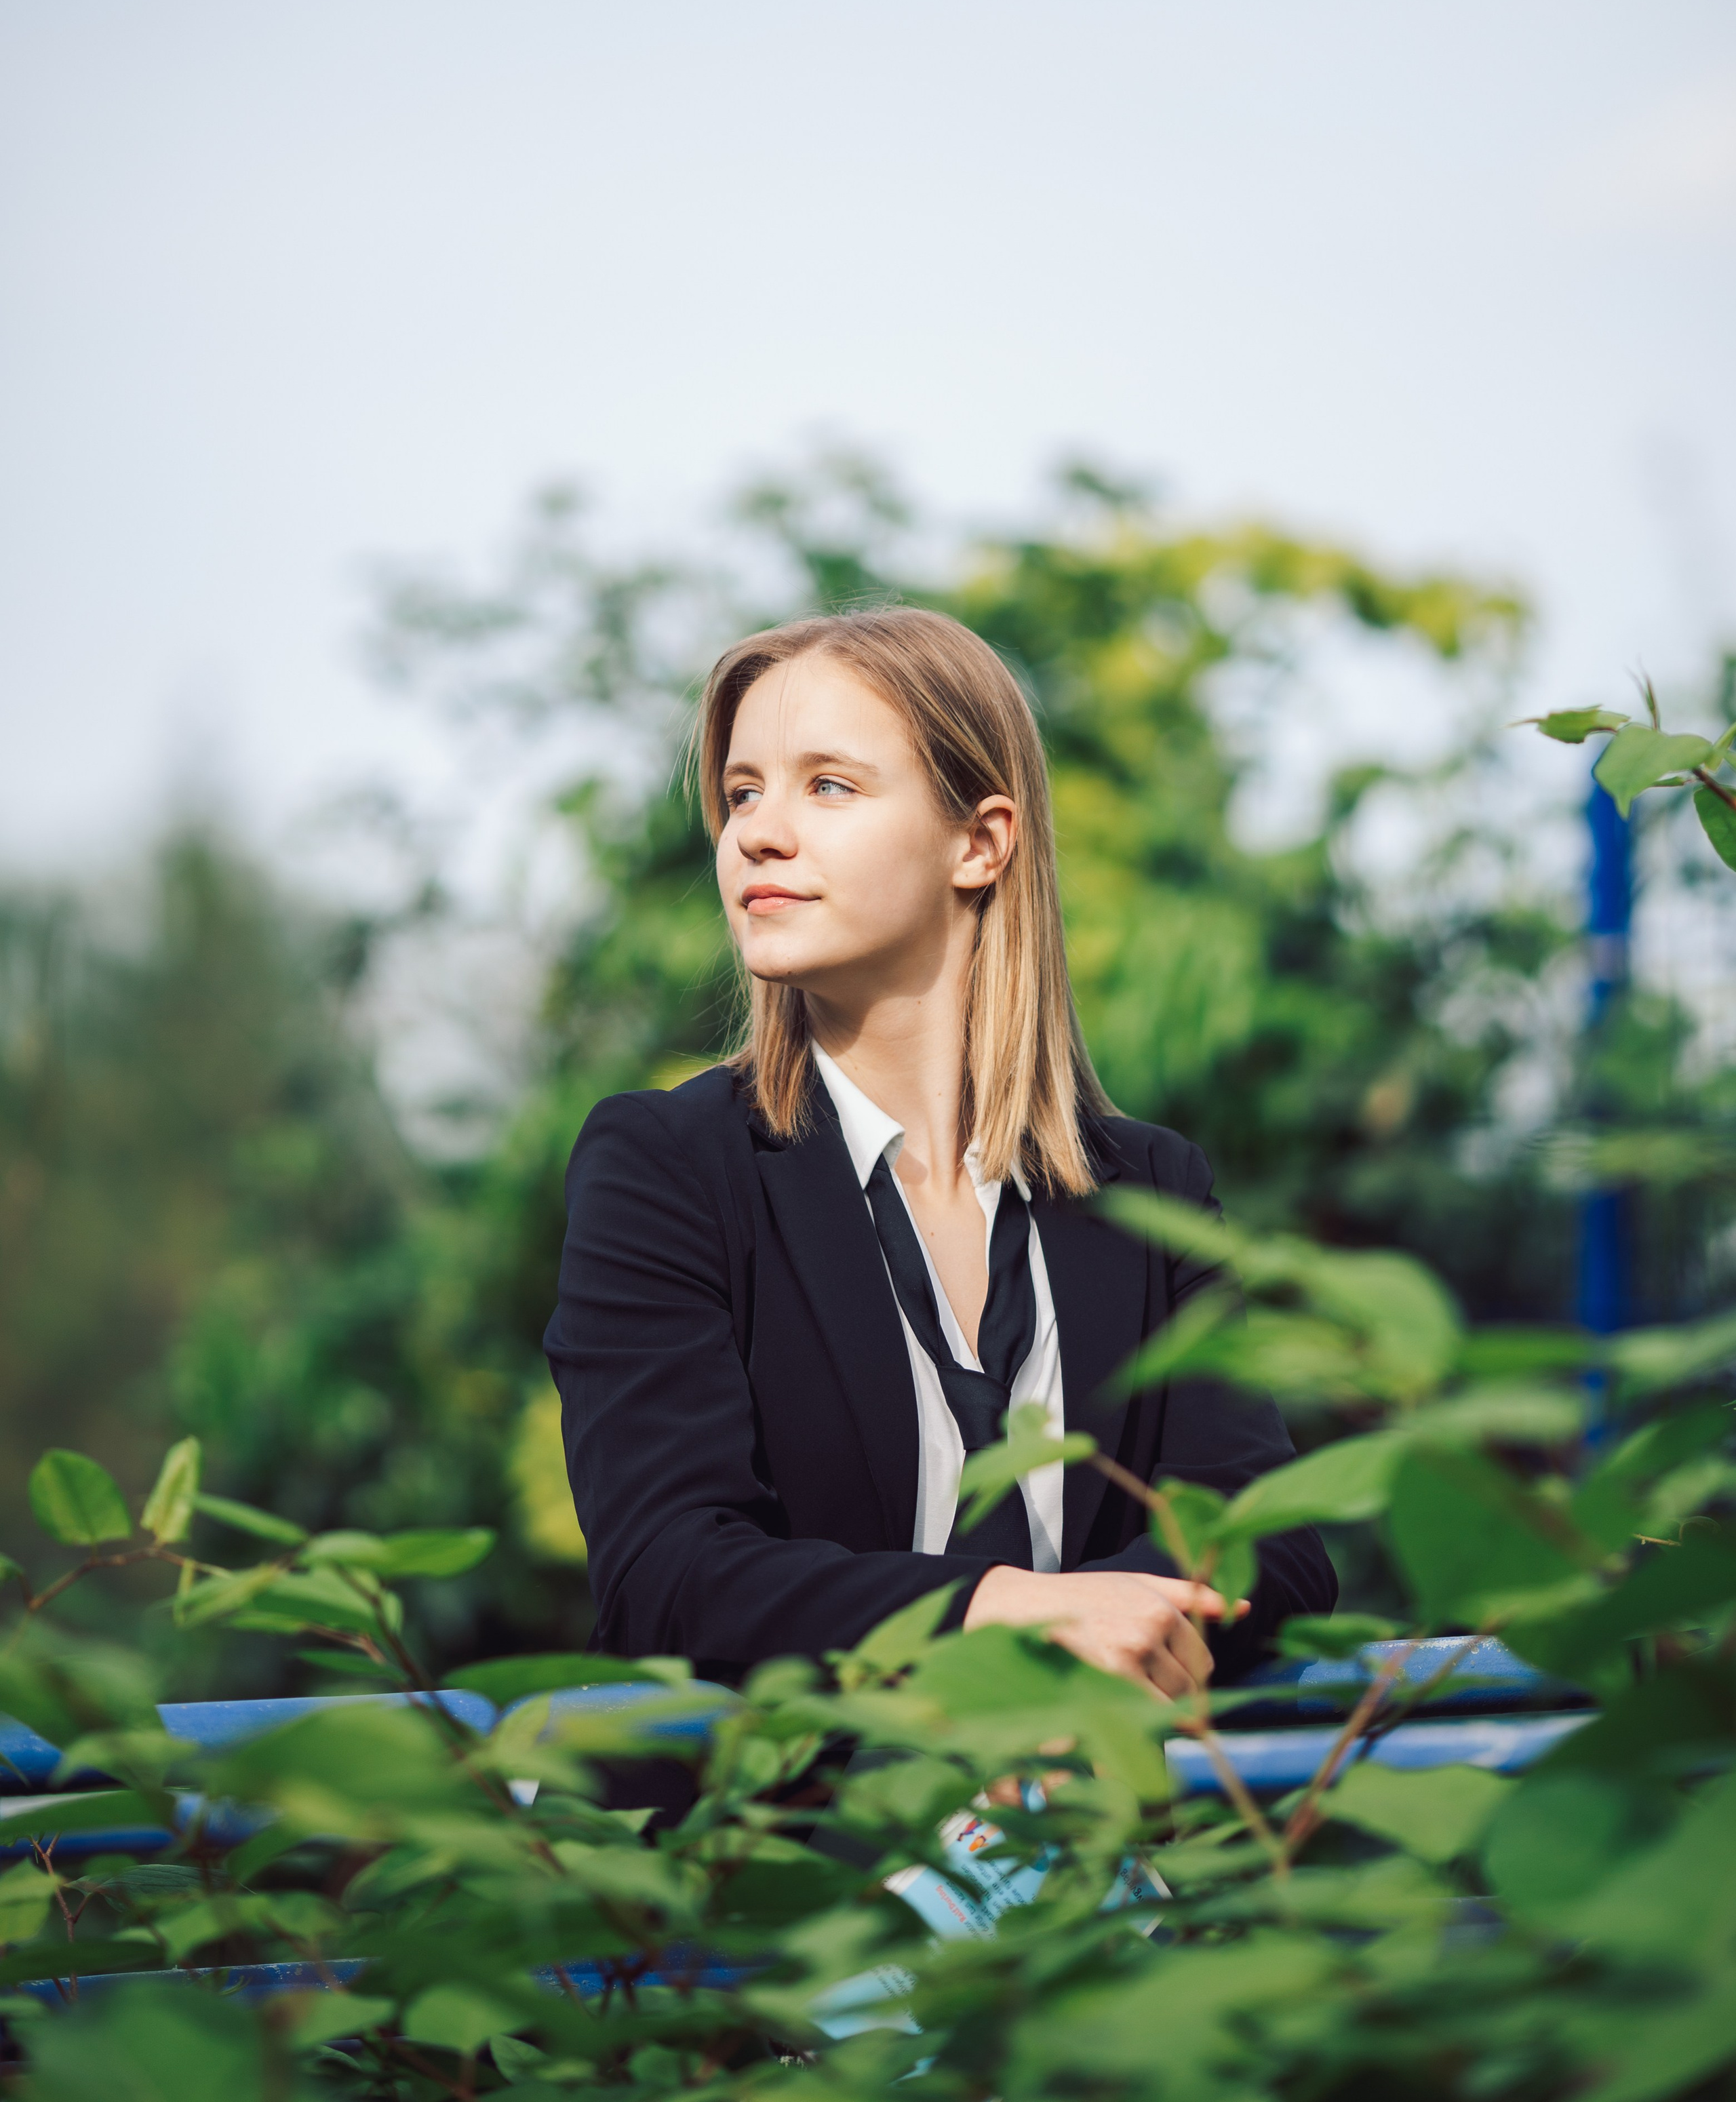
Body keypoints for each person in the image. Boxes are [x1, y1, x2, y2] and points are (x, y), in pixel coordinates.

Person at [544, 606, 1334, 1697]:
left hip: (1082, 1842)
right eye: (741, 792)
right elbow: (667, 1575)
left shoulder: (1153, 1193)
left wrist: (1105, 1659)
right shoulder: (666, 1167)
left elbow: (1273, 1544)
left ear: (981, 841)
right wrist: (1010, 1615)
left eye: (829, 785)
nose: (758, 834)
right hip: (775, 1851)